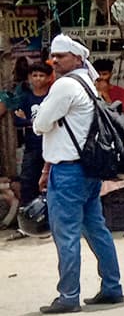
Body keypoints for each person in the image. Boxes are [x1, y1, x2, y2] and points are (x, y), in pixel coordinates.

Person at [33, 35, 124, 314]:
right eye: (54, 56)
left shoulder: (64, 85)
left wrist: (38, 113)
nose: (55, 60)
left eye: (61, 56)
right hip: (87, 169)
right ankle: (112, 287)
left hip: (69, 171)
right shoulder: (88, 83)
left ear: (76, 58)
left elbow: (40, 125)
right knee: (96, 229)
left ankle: (68, 296)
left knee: (67, 234)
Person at [14, 62, 52, 208]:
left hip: (50, 147)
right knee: (28, 182)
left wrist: (28, 121)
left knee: (49, 183)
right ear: (29, 77)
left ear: (49, 78)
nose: (37, 79)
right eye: (34, 75)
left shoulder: (51, 97)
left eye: (41, 75)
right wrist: (36, 123)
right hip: (32, 147)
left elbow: (52, 122)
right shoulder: (25, 98)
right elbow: (17, 121)